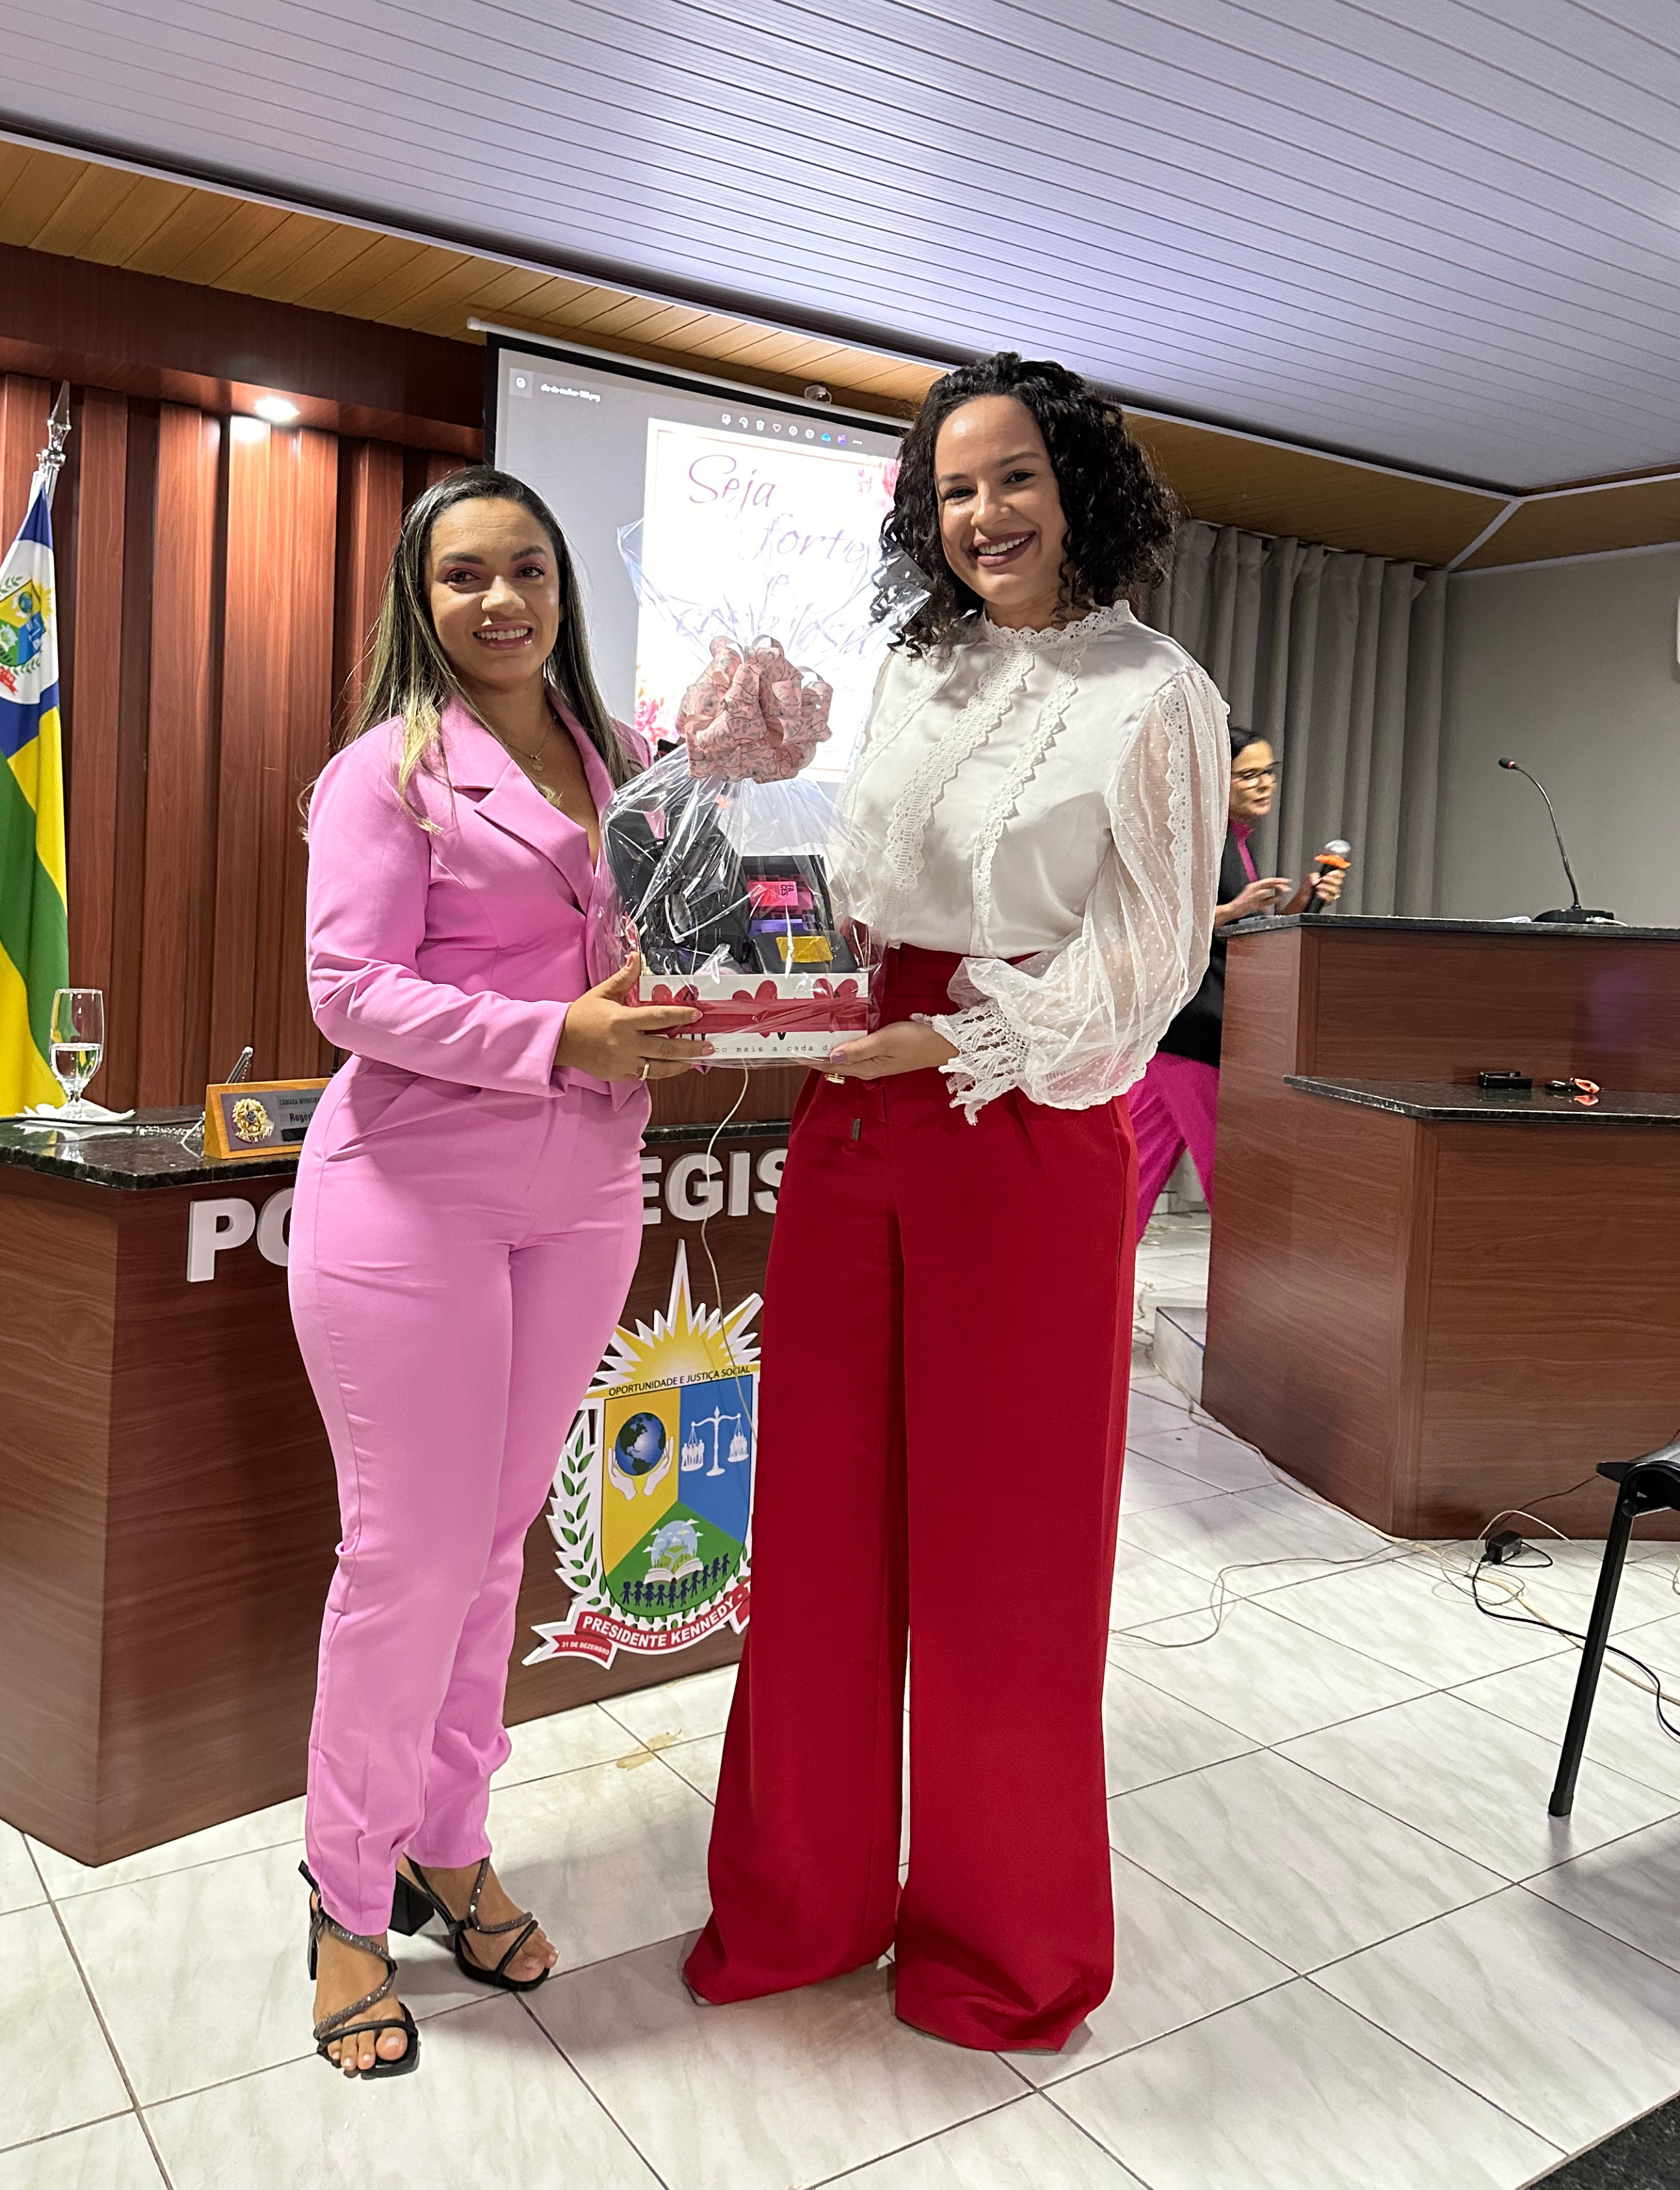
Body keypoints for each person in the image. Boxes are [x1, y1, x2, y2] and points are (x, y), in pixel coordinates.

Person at [683, 354, 1229, 2051]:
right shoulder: (915, 665)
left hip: (1022, 1114)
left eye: (1013, 477)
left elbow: (1151, 958)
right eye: (953, 488)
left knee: (1007, 1556)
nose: (982, 514)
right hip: (856, 1113)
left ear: (1079, 486)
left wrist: (957, 1037)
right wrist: (761, 892)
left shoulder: (1157, 693)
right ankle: (806, 1902)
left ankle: (1005, 1943)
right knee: (819, 1530)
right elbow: (861, 890)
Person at [289, 466, 708, 2078]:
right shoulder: (383, 773)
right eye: (463, 574)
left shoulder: (622, 768)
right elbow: (346, 988)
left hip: (585, 1193)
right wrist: (558, 1035)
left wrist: (687, 1004)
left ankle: (446, 1844)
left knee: (493, 1548)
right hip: (410, 1195)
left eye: (526, 567)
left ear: (561, 586)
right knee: (406, 1557)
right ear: (422, 600)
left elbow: (642, 961)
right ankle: (344, 1899)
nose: (500, 599)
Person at [1126, 726, 1344, 1235]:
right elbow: (1158, 927)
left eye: (1270, 772)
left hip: (1180, 1032)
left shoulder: (1232, 839)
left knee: (1130, 1177)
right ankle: (1252, 1282)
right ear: (1213, 780)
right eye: (1248, 775)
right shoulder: (1195, 840)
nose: (1265, 784)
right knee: (1233, 1180)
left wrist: (1302, 903)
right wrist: (1235, 908)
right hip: (1196, 1029)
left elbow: (1240, 936)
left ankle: (1090, 1275)